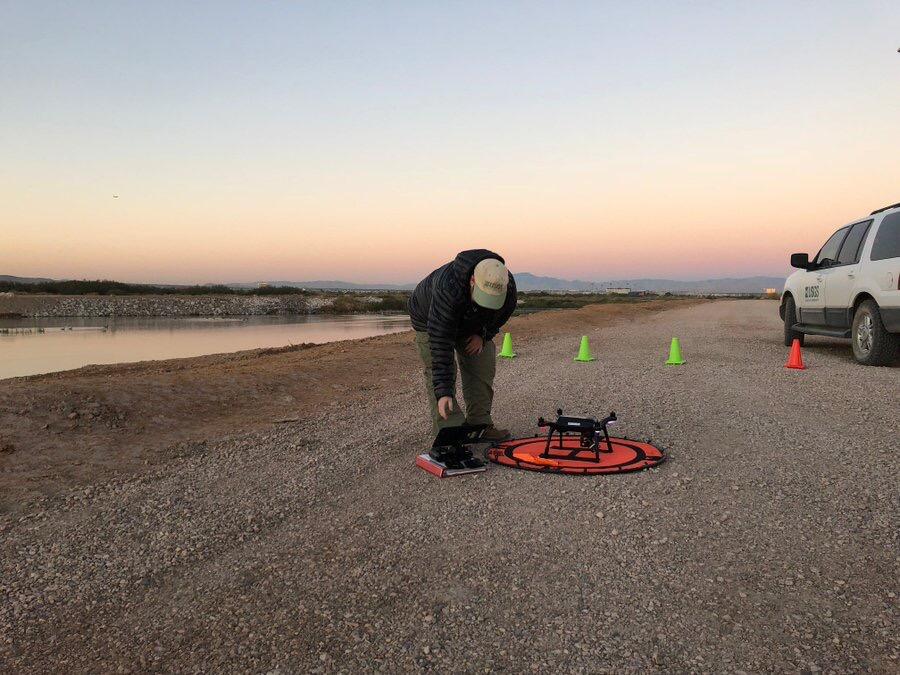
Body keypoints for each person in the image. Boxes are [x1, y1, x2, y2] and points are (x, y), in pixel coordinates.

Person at [408, 249, 517, 441]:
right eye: (484, 298)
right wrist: (444, 391)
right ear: (472, 281)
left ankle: (479, 425)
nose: (487, 305)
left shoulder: (506, 285)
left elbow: (501, 315)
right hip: (429, 318)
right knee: (440, 372)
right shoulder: (448, 288)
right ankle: (450, 433)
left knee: (482, 365)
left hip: (471, 322)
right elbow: (440, 345)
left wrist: (483, 335)